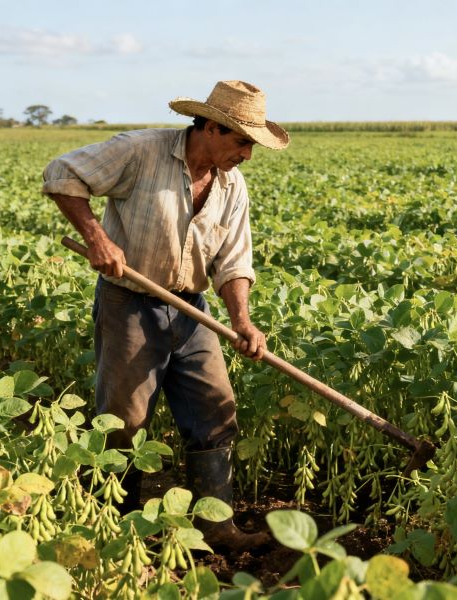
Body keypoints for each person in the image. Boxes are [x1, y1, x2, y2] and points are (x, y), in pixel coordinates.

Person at [42, 80, 289, 550]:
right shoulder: (140, 151)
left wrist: (242, 321)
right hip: (128, 302)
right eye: (242, 142)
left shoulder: (232, 185)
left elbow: (234, 262)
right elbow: (62, 174)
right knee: (124, 419)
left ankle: (217, 528)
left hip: (192, 309)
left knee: (216, 409)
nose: (247, 155)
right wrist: (97, 237)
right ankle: (111, 526)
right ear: (212, 127)